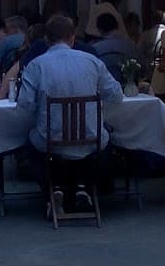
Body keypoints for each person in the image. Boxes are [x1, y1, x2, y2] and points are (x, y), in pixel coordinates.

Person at [17, 15, 123, 210]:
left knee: (31, 143)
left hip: (51, 140)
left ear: (46, 40)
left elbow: (24, 106)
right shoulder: (92, 62)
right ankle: (83, 186)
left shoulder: (36, 66)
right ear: (73, 38)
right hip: (91, 138)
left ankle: (54, 187)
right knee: (102, 139)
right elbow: (116, 95)